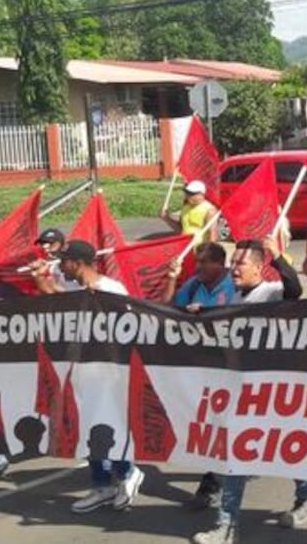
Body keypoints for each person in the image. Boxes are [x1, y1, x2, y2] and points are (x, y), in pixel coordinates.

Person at [192, 237, 303, 544]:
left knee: (284, 450)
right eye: (232, 263)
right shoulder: (235, 298)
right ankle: (227, 524)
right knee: (237, 454)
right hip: (245, 391)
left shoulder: (271, 291)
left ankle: (305, 496)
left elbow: (294, 290)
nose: (233, 269)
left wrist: (278, 256)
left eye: (240, 263)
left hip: (274, 388)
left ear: (259, 267)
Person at [30, 239, 144, 513]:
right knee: (85, 429)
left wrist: (100, 304)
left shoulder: (111, 288)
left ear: (78, 262)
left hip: (109, 373)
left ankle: (127, 472)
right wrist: (39, 278)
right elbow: (56, 296)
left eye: (64, 261)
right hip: (81, 373)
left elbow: (129, 326)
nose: (61, 265)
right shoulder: (75, 288)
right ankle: (101, 484)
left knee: (109, 426)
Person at [162, 242, 235, 308]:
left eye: (203, 262)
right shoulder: (194, 284)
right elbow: (167, 307)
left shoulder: (236, 286)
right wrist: (172, 278)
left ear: (219, 264)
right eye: (196, 261)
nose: (197, 267)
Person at [160, 180, 218, 244]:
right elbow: (180, 229)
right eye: (187, 192)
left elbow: (213, 233)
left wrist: (210, 251)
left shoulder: (209, 210)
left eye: (192, 193)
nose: (188, 196)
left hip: (200, 249)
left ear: (201, 194)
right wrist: (167, 218)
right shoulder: (185, 207)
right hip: (185, 247)